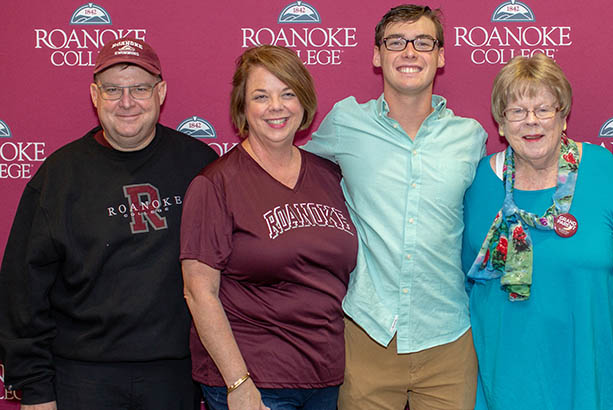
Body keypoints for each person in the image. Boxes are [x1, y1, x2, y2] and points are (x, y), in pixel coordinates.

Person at [0, 37, 217, 410]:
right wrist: (35, 390)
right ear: (94, 94)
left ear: (161, 92)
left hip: (176, 378)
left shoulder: (200, 165)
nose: (127, 102)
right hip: (81, 378)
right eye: (113, 89)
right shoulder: (59, 175)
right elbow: (23, 290)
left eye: (140, 88)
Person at [301, 4, 487, 409]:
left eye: (423, 42)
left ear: (440, 56)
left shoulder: (470, 138)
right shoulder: (345, 122)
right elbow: (290, 174)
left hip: (449, 340)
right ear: (376, 54)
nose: (409, 52)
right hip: (366, 336)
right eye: (395, 42)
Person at [461, 53, 613, 410]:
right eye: (517, 111)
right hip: (505, 385)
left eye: (543, 109)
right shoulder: (477, 182)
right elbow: (463, 284)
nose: (531, 122)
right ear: (501, 124)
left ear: (563, 116)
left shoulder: (600, 168)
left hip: (592, 379)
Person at [180, 45, 357, 410]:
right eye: (261, 96)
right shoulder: (216, 184)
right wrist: (238, 383)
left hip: (326, 376)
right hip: (258, 383)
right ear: (243, 109)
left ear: (304, 103)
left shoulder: (329, 175)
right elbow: (199, 293)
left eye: (288, 93)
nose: (276, 106)